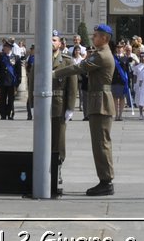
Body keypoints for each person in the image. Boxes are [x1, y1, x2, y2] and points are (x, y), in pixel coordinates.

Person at [54, 22, 116, 196]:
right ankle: (105, 179)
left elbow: (79, 67)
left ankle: (106, 181)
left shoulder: (102, 56)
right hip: (98, 101)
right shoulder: (100, 54)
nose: (93, 37)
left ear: (104, 38)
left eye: (96, 35)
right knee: (99, 143)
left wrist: (55, 73)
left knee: (101, 144)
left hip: (101, 102)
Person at [47, 33, 80, 193]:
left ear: (60, 44)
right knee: (42, 140)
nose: (51, 42)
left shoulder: (66, 61)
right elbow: (33, 79)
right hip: (43, 107)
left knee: (58, 141)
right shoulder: (41, 57)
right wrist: (31, 104)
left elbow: (72, 87)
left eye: (54, 40)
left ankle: (57, 168)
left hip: (59, 106)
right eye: (49, 40)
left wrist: (70, 108)